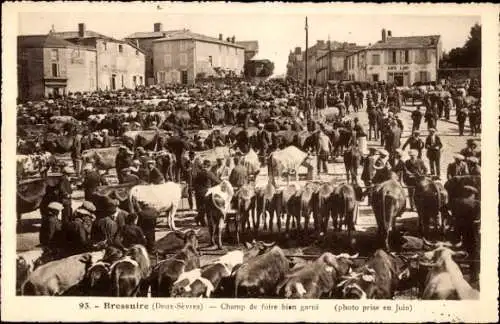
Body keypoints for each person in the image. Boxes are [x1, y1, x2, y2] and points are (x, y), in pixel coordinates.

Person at [193, 159, 221, 226]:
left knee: (201, 208)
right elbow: (217, 181)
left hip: (198, 193)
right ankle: (208, 223)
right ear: (209, 166)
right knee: (208, 208)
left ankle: (200, 220)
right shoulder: (209, 173)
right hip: (206, 193)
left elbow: (195, 182)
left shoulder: (199, 173)